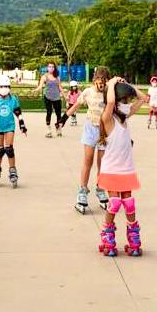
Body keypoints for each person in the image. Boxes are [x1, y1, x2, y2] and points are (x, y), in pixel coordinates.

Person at [97, 78, 147, 257]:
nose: (128, 104)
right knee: (115, 202)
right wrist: (111, 84)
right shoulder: (108, 119)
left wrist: (129, 87)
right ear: (117, 102)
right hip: (111, 169)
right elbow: (110, 101)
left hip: (126, 169)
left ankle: (133, 239)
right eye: (124, 101)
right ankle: (108, 236)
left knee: (129, 203)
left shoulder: (125, 118)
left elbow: (144, 98)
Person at [59, 67, 111, 213]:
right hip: (90, 129)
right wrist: (63, 119)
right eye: (99, 81)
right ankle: (82, 191)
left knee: (103, 164)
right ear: (94, 80)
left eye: (104, 82)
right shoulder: (88, 92)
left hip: (104, 130)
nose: (101, 85)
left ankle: (100, 189)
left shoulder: (110, 93)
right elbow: (76, 105)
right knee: (88, 161)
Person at [0, 75, 27, 188]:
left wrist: (22, 124)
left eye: (6, 86)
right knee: (0, 150)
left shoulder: (13, 99)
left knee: (9, 148)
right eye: (1, 86)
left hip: (10, 126)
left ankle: (12, 170)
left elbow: (18, 112)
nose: (4, 88)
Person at [33, 61, 64, 138]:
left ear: (54, 68)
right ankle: (48, 130)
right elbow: (40, 86)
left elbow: (60, 87)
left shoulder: (57, 77)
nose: (51, 68)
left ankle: (58, 128)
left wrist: (64, 95)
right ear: (47, 68)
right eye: (49, 67)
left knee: (58, 114)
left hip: (57, 98)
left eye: (52, 67)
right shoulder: (44, 76)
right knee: (49, 112)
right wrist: (36, 90)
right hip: (48, 97)